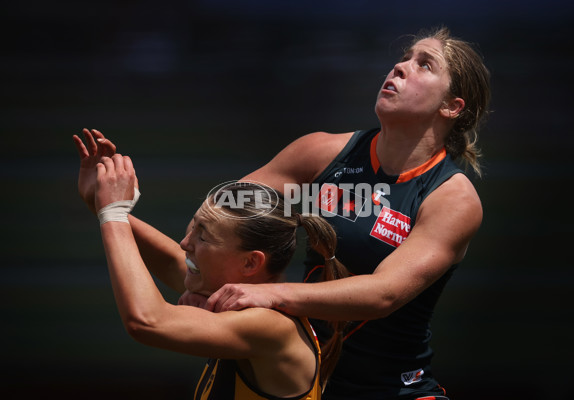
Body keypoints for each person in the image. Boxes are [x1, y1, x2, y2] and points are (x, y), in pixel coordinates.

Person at [74, 26, 490, 399]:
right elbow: (220, 223)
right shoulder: (324, 155)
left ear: (452, 107)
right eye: (402, 57)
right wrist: (112, 208)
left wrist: (268, 294)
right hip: (299, 374)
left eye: (424, 64)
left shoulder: (450, 197)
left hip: (392, 390)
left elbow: (384, 294)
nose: (400, 67)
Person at [79, 150, 349, 399]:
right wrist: (102, 201)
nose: (185, 243)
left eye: (203, 237)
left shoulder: (271, 326)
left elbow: (147, 321)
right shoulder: (234, 294)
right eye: (193, 227)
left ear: (250, 263)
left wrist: (113, 214)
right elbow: (172, 261)